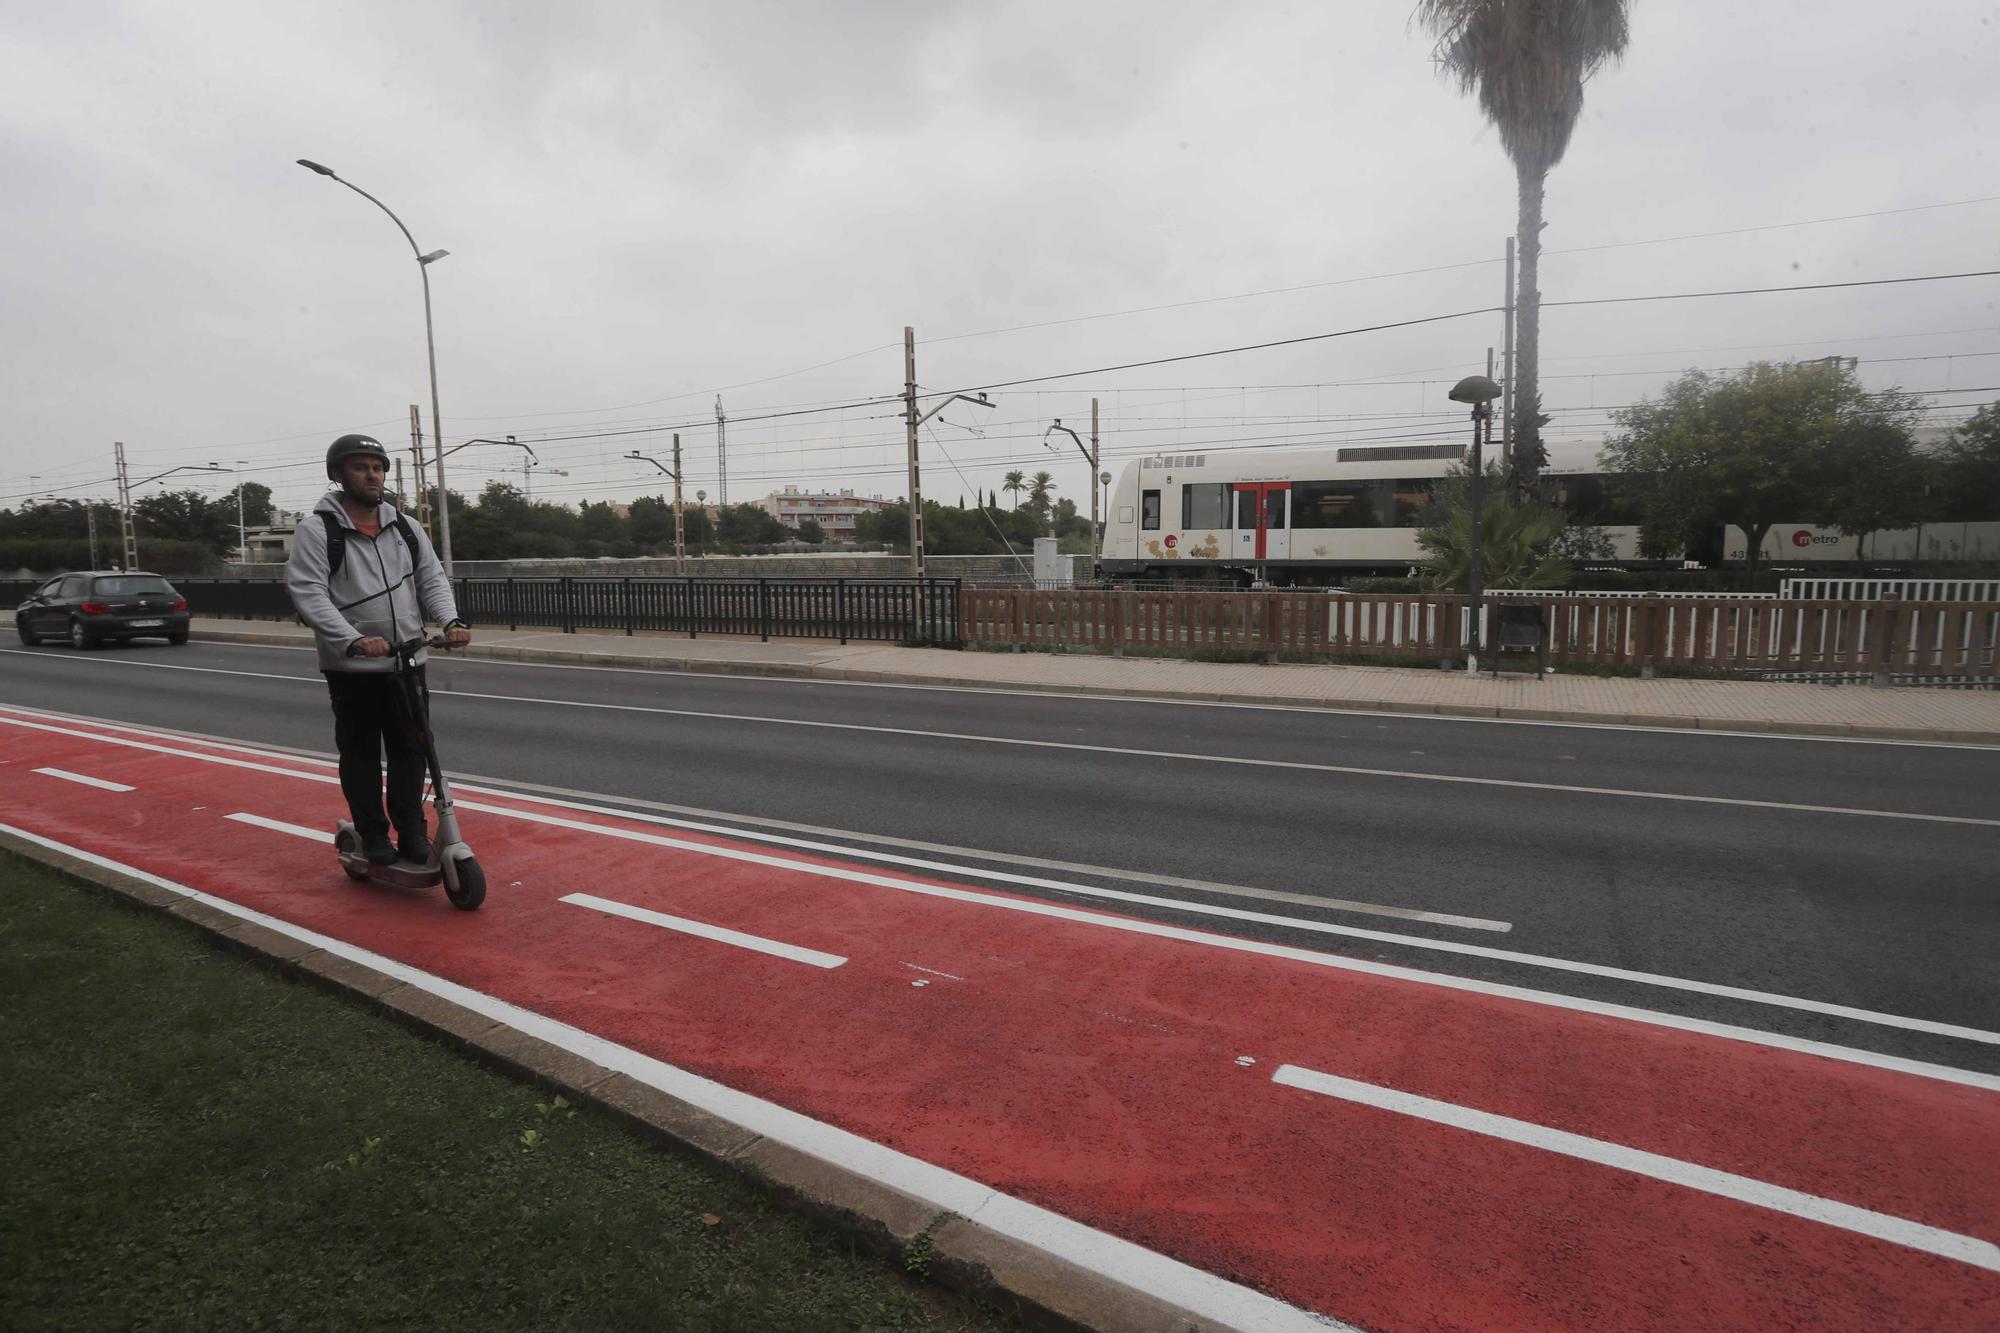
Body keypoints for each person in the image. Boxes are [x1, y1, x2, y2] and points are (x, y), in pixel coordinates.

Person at [286, 434, 471, 865]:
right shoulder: (317, 531)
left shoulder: (405, 527)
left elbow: (431, 579)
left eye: (377, 467)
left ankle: (412, 832)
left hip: (407, 659)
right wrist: (350, 638)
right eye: (360, 467)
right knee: (362, 754)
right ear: (338, 474)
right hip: (353, 667)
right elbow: (309, 593)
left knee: (412, 750)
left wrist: (451, 621)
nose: (372, 475)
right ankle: (372, 834)